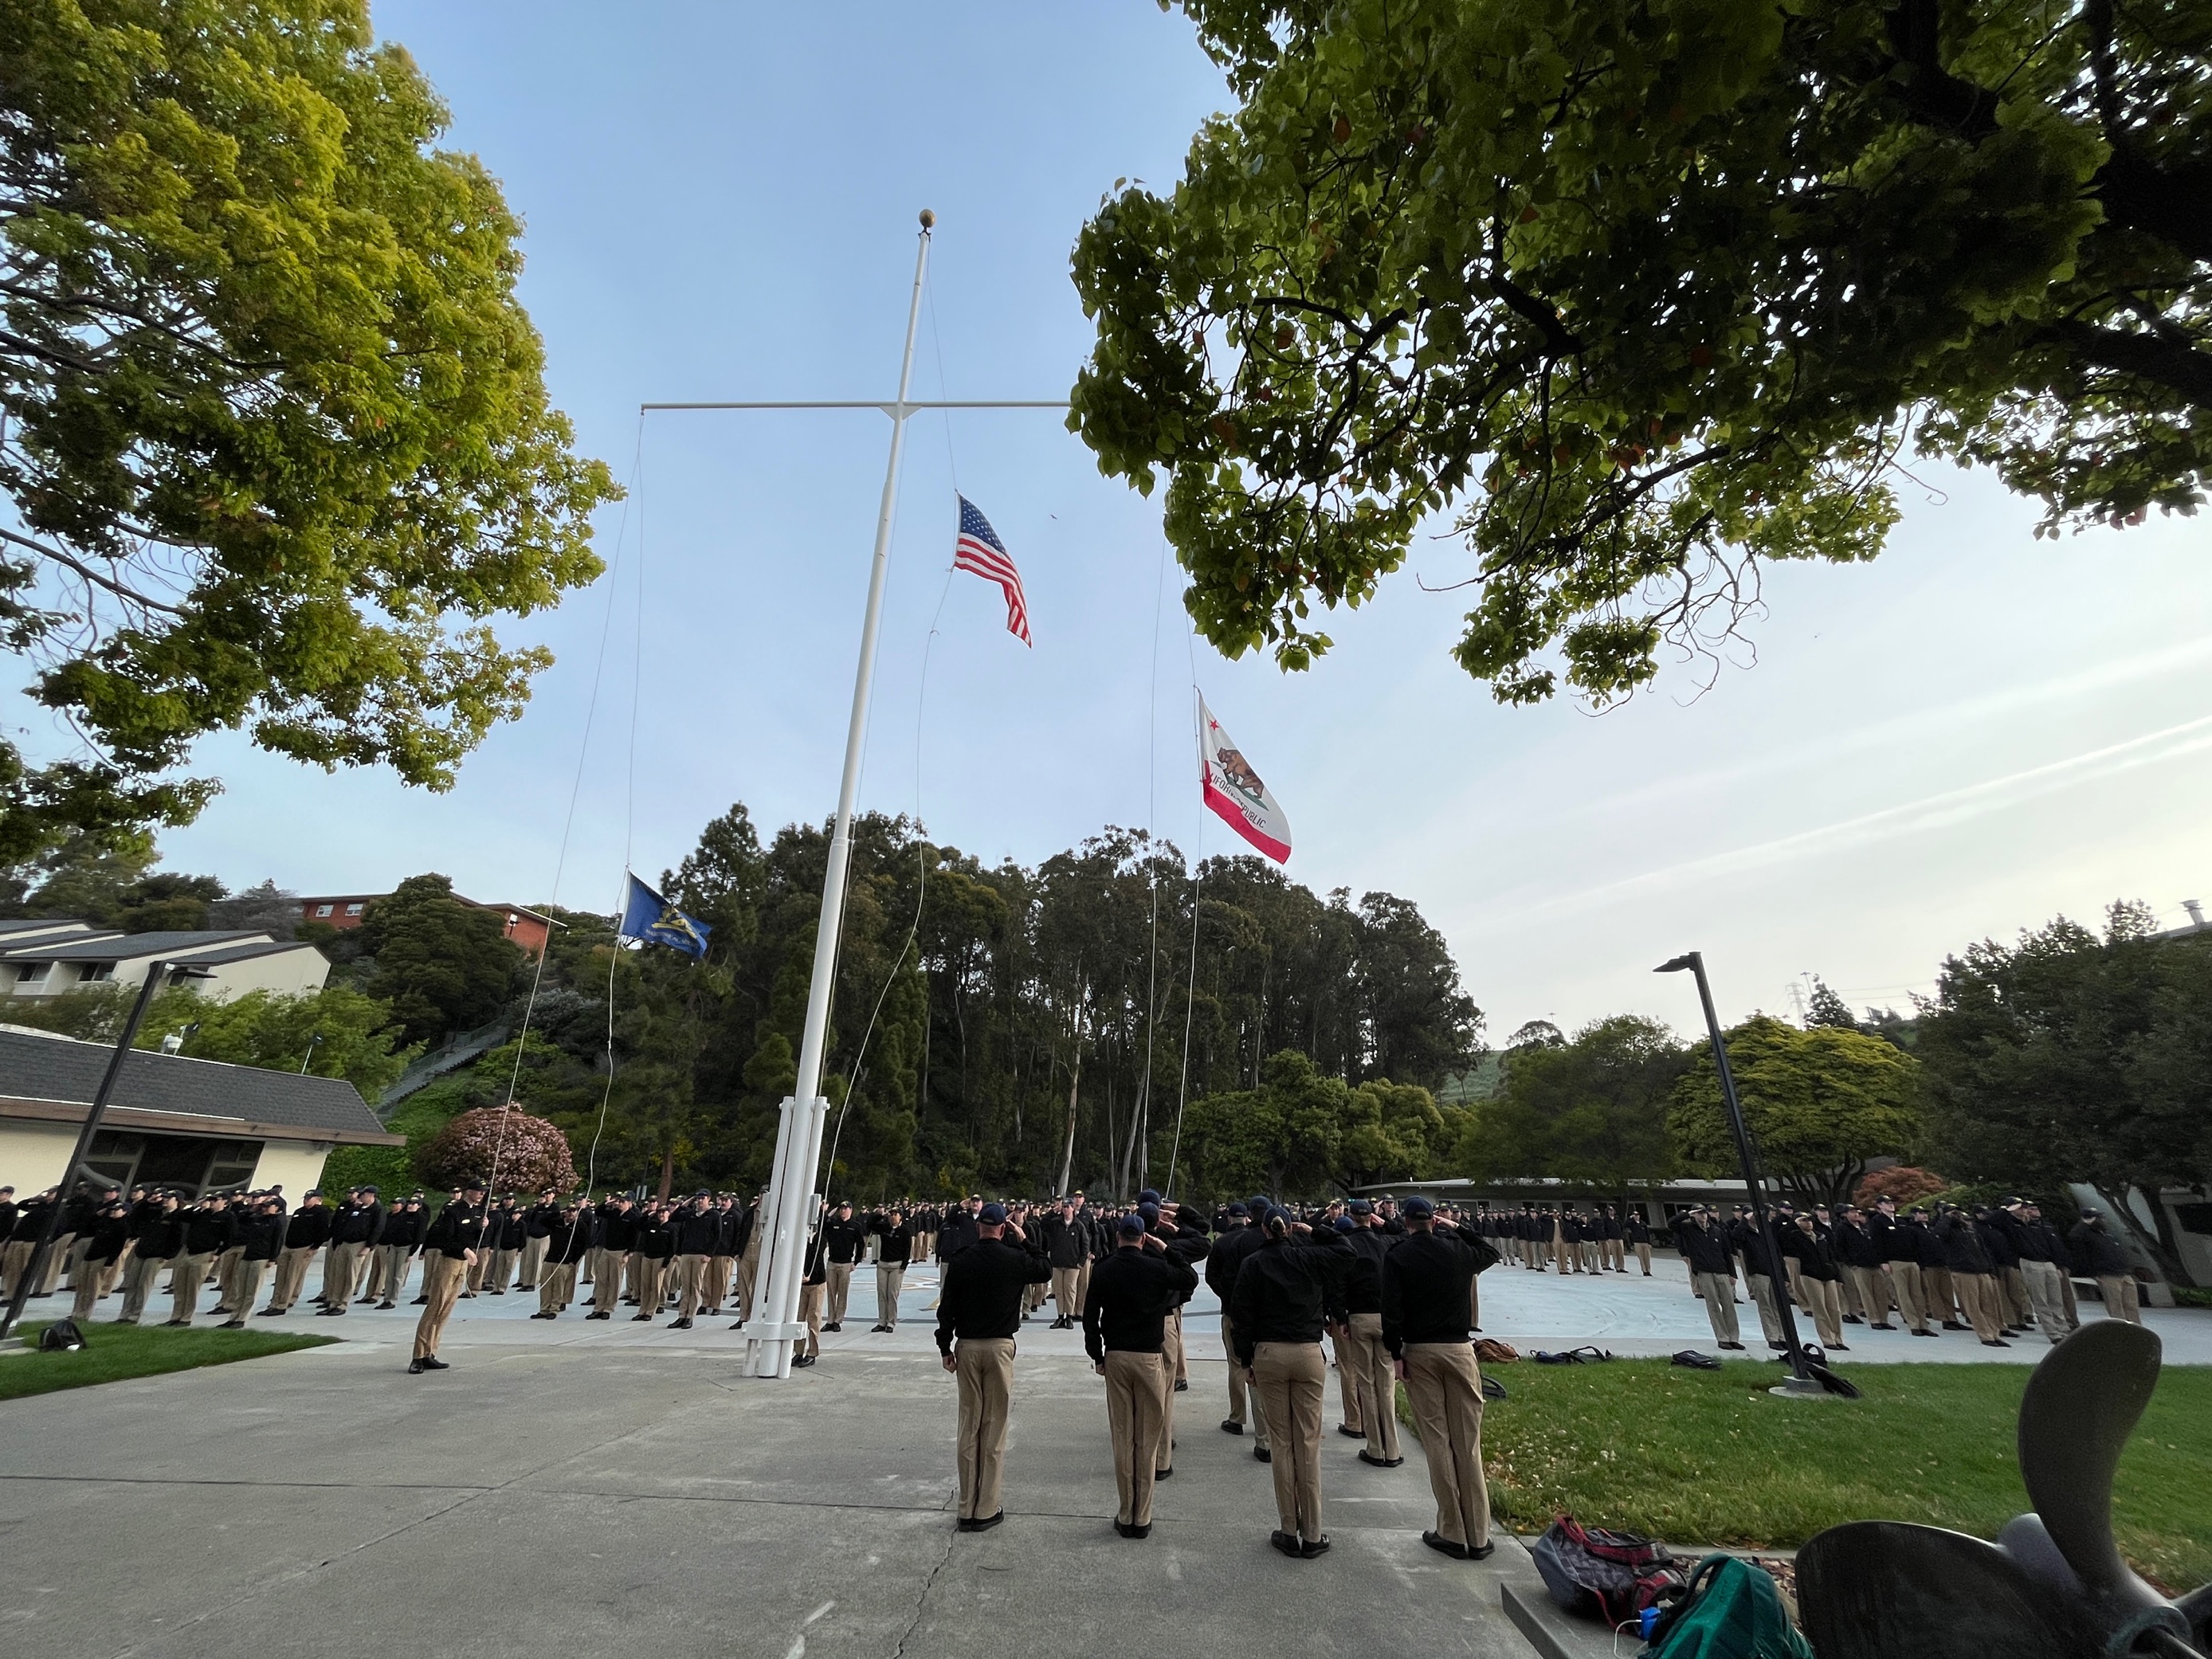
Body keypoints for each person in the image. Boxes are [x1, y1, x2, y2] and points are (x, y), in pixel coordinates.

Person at [1230, 1207, 1353, 1560]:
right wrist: (1315, 1230)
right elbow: (1347, 1252)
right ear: (1289, 1229)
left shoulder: (1253, 1264)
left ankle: (1288, 1528)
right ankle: (1312, 1532)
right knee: (1308, 1442)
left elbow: (1243, 1315)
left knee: (1281, 1443)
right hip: (1306, 1352)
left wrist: (1246, 1360)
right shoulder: (1310, 1258)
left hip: (1268, 1353)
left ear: (1265, 1230)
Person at [1382, 1195, 1496, 1561]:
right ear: (1434, 1220)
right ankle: (1478, 1533)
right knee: (1468, 1444)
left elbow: (1392, 1309)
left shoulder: (1399, 1255)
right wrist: (1456, 1227)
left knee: (1437, 1440)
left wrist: (1395, 1354)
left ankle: (1452, 1529)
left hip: (1420, 1351)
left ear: (1406, 1222)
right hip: (1459, 1350)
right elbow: (1489, 1251)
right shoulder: (1458, 1252)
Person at [933, 1202, 1050, 1532]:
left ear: (979, 1228)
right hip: (999, 1347)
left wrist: (945, 1347)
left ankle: (966, 1505)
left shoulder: (961, 1261)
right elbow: (1044, 1269)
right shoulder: (1014, 1259)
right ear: (1002, 1228)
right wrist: (1023, 1237)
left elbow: (947, 1309)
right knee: (994, 1428)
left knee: (969, 1426)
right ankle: (986, 1507)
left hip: (967, 1347)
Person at [1083, 1211, 1198, 1539]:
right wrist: (1165, 1248)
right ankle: (1142, 1516)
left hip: (1117, 1355)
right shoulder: (1156, 1267)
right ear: (1143, 1238)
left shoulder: (1104, 1269)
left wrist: (1097, 1354)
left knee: (1123, 1436)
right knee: (1147, 1440)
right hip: (1149, 1357)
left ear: (1119, 1237)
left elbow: (1091, 1317)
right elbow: (1189, 1278)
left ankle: (1125, 1510)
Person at [1335, 1204, 1402, 1468]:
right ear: (1370, 1219)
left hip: (1359, 1318)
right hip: (1384, 1317)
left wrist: (1340, 1317)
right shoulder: (1385, 1242)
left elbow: (1338, 1284)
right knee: (1386, 1384)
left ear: (1351, 1219)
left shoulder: (1346, 1245)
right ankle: (1393, 1448)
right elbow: (1405, 1234)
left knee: (1366, 1382)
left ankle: (1375, 1447)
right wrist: (1384, 1223)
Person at [1206, 1198, 1269, 1449]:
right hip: (1265, 1315)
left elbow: (1213, 1277)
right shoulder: (1268, 1239)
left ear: (1231, 1218)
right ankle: (1265, 1425)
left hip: (1233, 1312)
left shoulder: (1223, 1243)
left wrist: (1228, 1298)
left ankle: (1238, 1416)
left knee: (1236, 1365)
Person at [410, 1183, 484, 1373]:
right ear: (469, 1191)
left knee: (446, 1309)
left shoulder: (478, 1212)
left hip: (463, 1264)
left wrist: (482, 1227)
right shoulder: (453, 1211)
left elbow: (474, 1237)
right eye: (478, 1191)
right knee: (435, 1305)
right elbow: (445, 1238)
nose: (482, 1194)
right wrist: (464, 1249)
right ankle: (418, 1356)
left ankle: (431, 1352)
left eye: (484, 1192)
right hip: (449, 1261)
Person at [1679, 1207, 1745, 1349]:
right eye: (1699, 1213)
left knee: (1729, 1305)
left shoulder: (1717, 1231)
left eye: (1704, 1213)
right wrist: (1688, 1214)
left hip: (1721, 1271)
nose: (1702, 1216)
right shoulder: (1689, 1229)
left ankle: (1733, 1337)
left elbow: (1726, 1252)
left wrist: (1732, 1274)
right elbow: (1672, 1224)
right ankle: (1722, 1337)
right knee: (1713, 1305)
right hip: (1704, 1272)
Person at [2069, 1211, 2140, 1324]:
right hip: (2107, 1274)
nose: (2103, 1220)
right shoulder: (2083, 1233)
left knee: (2132, 1305)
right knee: (2115, 1306)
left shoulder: (2106, 1234)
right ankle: (2121, 1331)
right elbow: (2077, 1245)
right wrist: (2084, 1223)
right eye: (2100, 1217)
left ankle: (2136, 1329)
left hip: (2123, 1272)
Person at [533, 1203, 595, 1319]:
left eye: (574, 1211)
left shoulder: (580, 1225)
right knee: (545, 1285)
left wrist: (574, 1260)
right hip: (551, 1258)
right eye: (569, 1211)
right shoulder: (558, 1222)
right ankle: (544, 1309)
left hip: (565, 1261)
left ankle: (554, 1309)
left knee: (559, 1286)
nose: (571, 1213)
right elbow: (543, 1220)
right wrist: (558, 1213)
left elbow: (584, 1244)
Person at [822, 1200, 865, 1331]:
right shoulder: (833, 1223)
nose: (843, 1211)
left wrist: (856, 1262)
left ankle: (838, 1320)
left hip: (846, 1263)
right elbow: (822, 1227)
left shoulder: (855, 1226)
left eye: (846, 1209)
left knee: (842, 1293)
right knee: (831, 1293)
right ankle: (830, 1319)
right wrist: (826, 1214)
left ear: (851, 1210)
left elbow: (861, 1245)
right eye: (841, 1209)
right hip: (832, 1262)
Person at [869, 1206, 913, 1332]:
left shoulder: (905, 1230)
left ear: (900, 1216)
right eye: (891, 1214)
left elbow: (907, 1249)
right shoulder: (884, 1227)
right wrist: (881, 1215)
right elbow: (870, 1224)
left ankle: (891, 1322)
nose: (893, 1217)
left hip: (896, 1265)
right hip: (883, 1264)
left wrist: (903, 1266)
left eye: (896, 1214)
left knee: (892, 1294)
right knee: (882, 1293)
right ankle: (882, 1321)